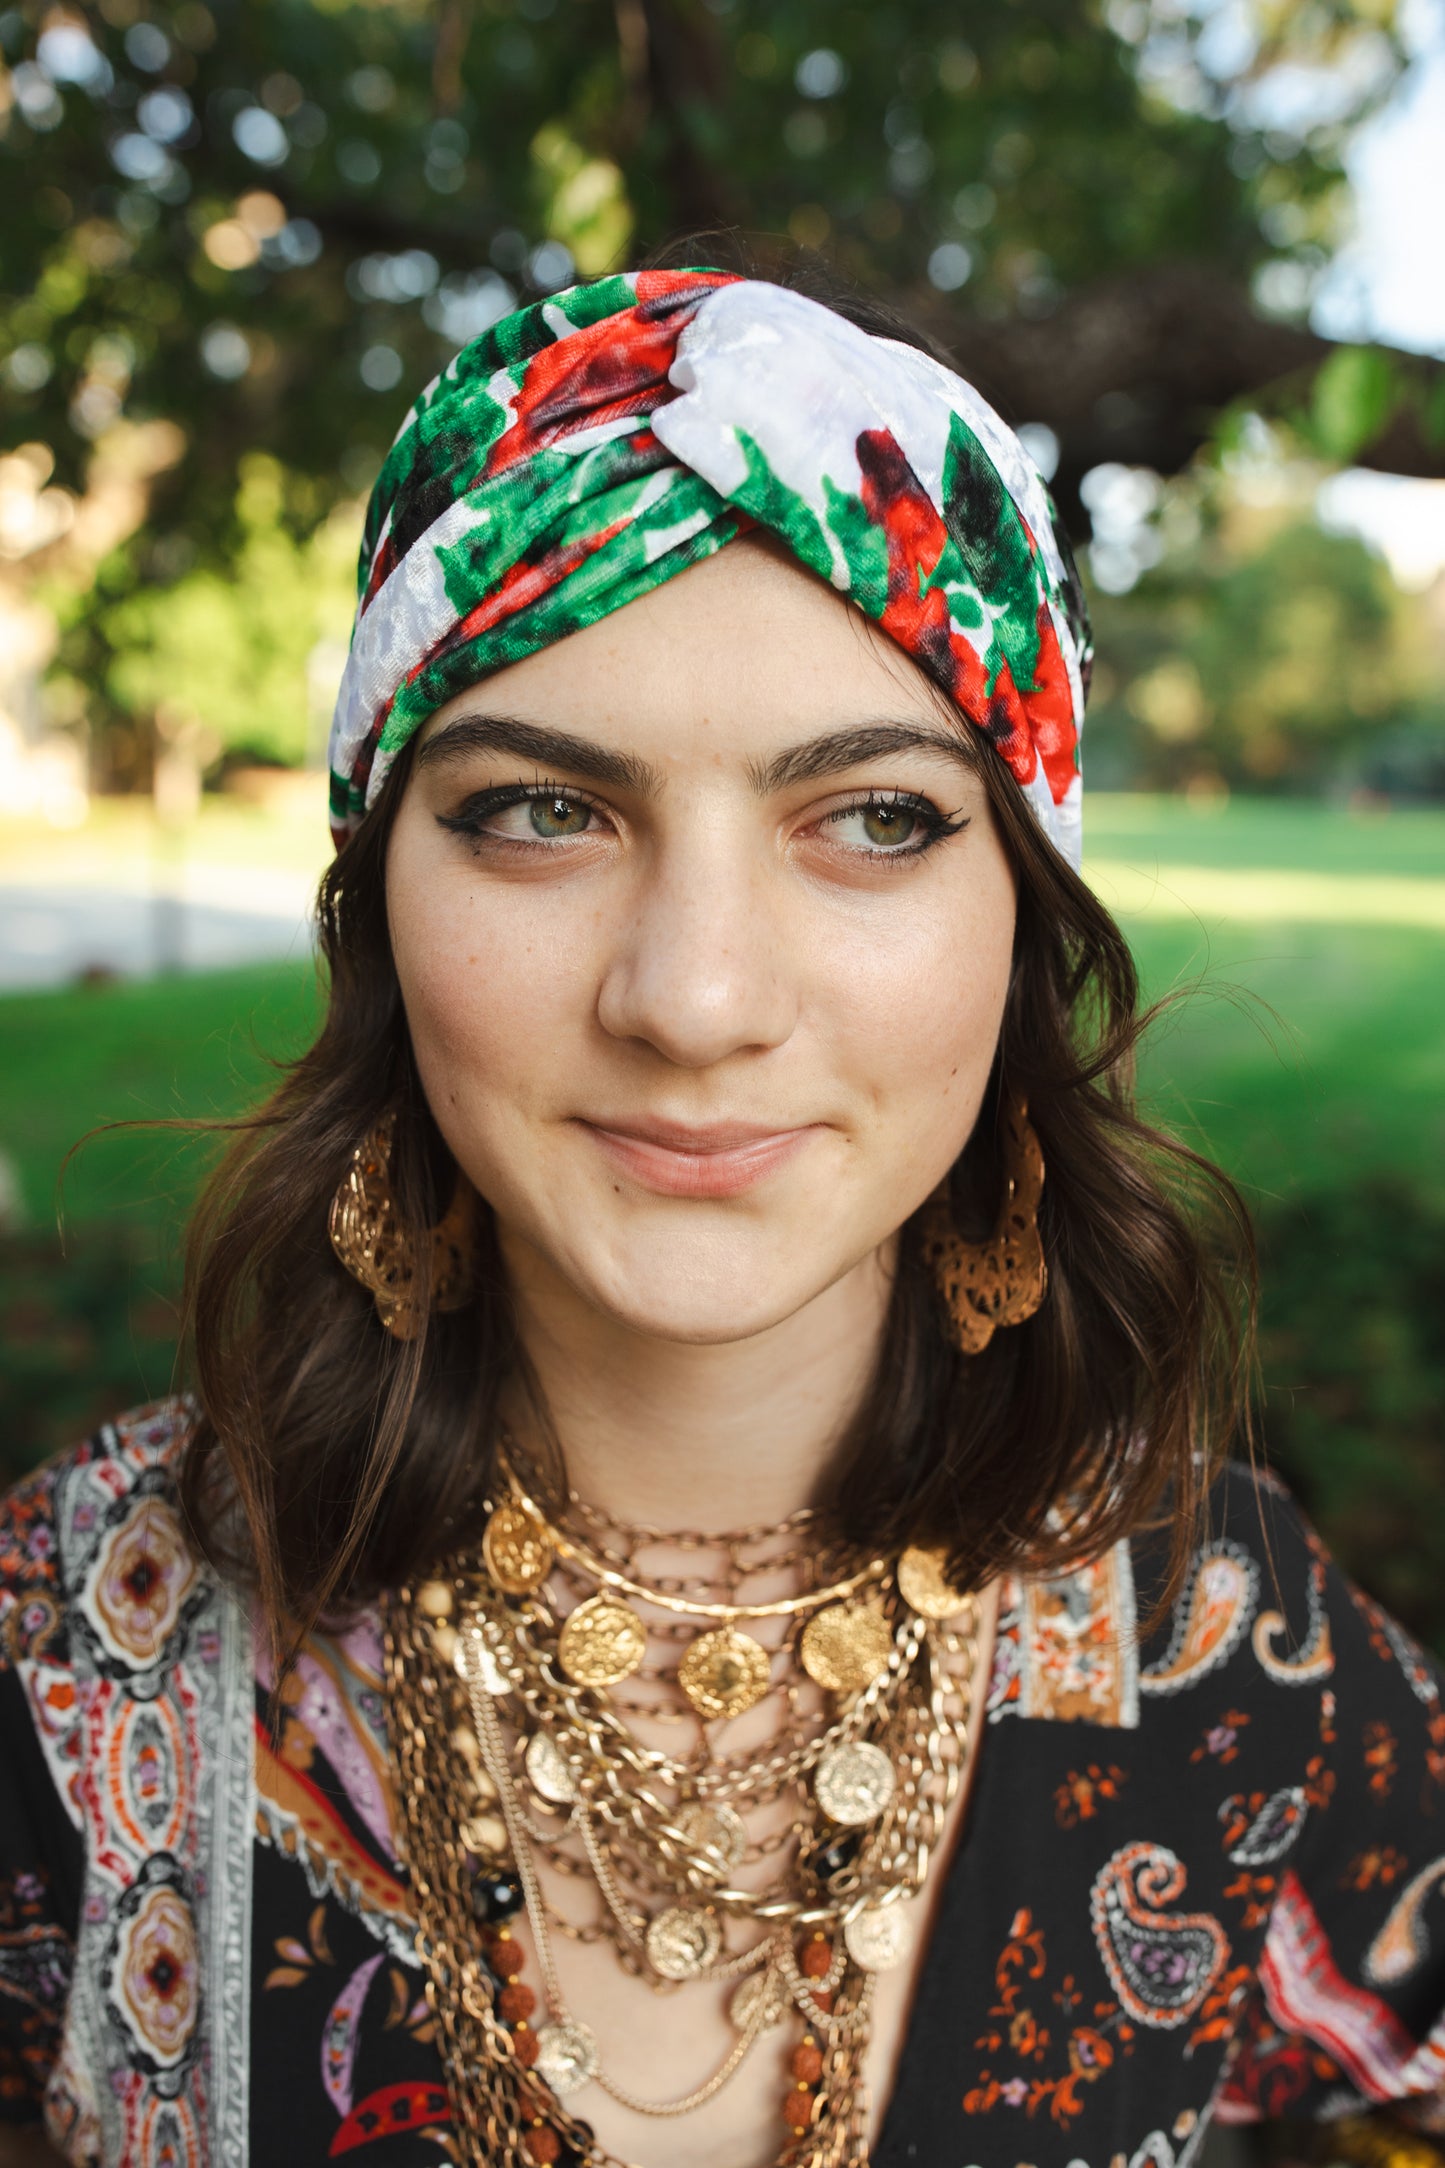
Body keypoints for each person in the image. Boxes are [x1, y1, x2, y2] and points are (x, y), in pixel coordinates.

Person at [2, 250, 1443, 2168]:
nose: (691, 999)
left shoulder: (1231, 1647)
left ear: (1019, 923)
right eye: (541, 809)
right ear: (375, 906)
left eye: (872, 819)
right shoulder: (65, 1648)